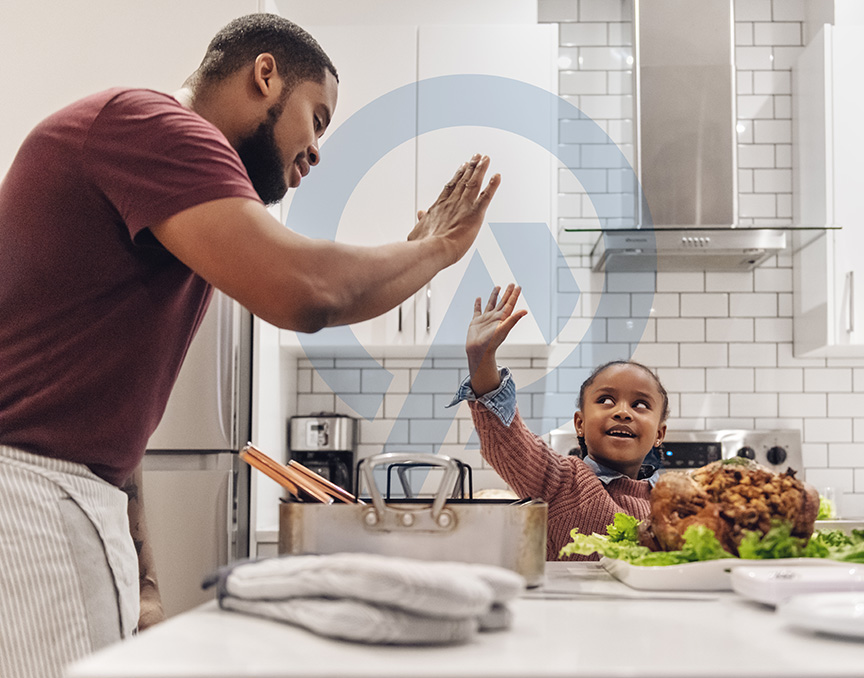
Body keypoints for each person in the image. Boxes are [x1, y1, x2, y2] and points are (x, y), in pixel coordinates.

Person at [0, 13, 500, 678]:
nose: (318, 150)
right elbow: (308, 292)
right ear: (265, 75)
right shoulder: (157, 126)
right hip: (34, 500)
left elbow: (105, 420)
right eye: (317, 118)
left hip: (70, 497)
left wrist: (145, 578)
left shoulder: (157, 164)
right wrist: (435, 250)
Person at [448, 284, 669, 561]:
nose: (623, 412)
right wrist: (481, 361)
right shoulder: (562, 481)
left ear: (659, 433)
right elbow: (509, 441)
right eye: (606, 400)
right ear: (579, 424)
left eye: (640, 404)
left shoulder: (669, 503)